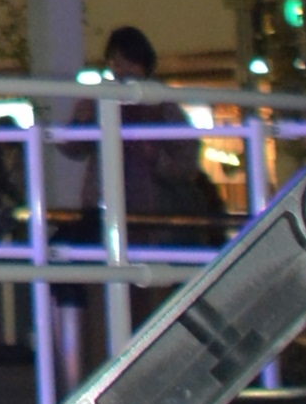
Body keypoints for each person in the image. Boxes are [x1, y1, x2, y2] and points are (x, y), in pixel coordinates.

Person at [69, 24, 226, 252]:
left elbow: (186, 160)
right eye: (115, 63)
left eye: (127, 61)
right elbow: (71, 148)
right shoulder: (102, 102)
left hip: (151, 215)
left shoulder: (162, 105)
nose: (121, 70)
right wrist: (80, 121)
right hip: (114, 211)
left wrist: (156, 157)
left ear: (143, 64)